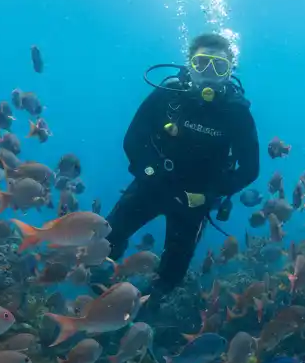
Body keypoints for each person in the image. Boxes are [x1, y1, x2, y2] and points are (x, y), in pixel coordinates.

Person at [107, 32, 260, 293]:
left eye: (219, 66)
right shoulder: (167, 96)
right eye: (202, 63)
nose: (209, 72)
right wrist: (151, 173)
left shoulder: (237, 113)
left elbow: (249, 169)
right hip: (152, 185)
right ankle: (100, 306)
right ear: (190, 64)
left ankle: (143, 317)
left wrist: (210, 193)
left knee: (171, 275)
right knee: (106, 242)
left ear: (228, 72)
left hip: (194, 200)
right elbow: (133, 140)